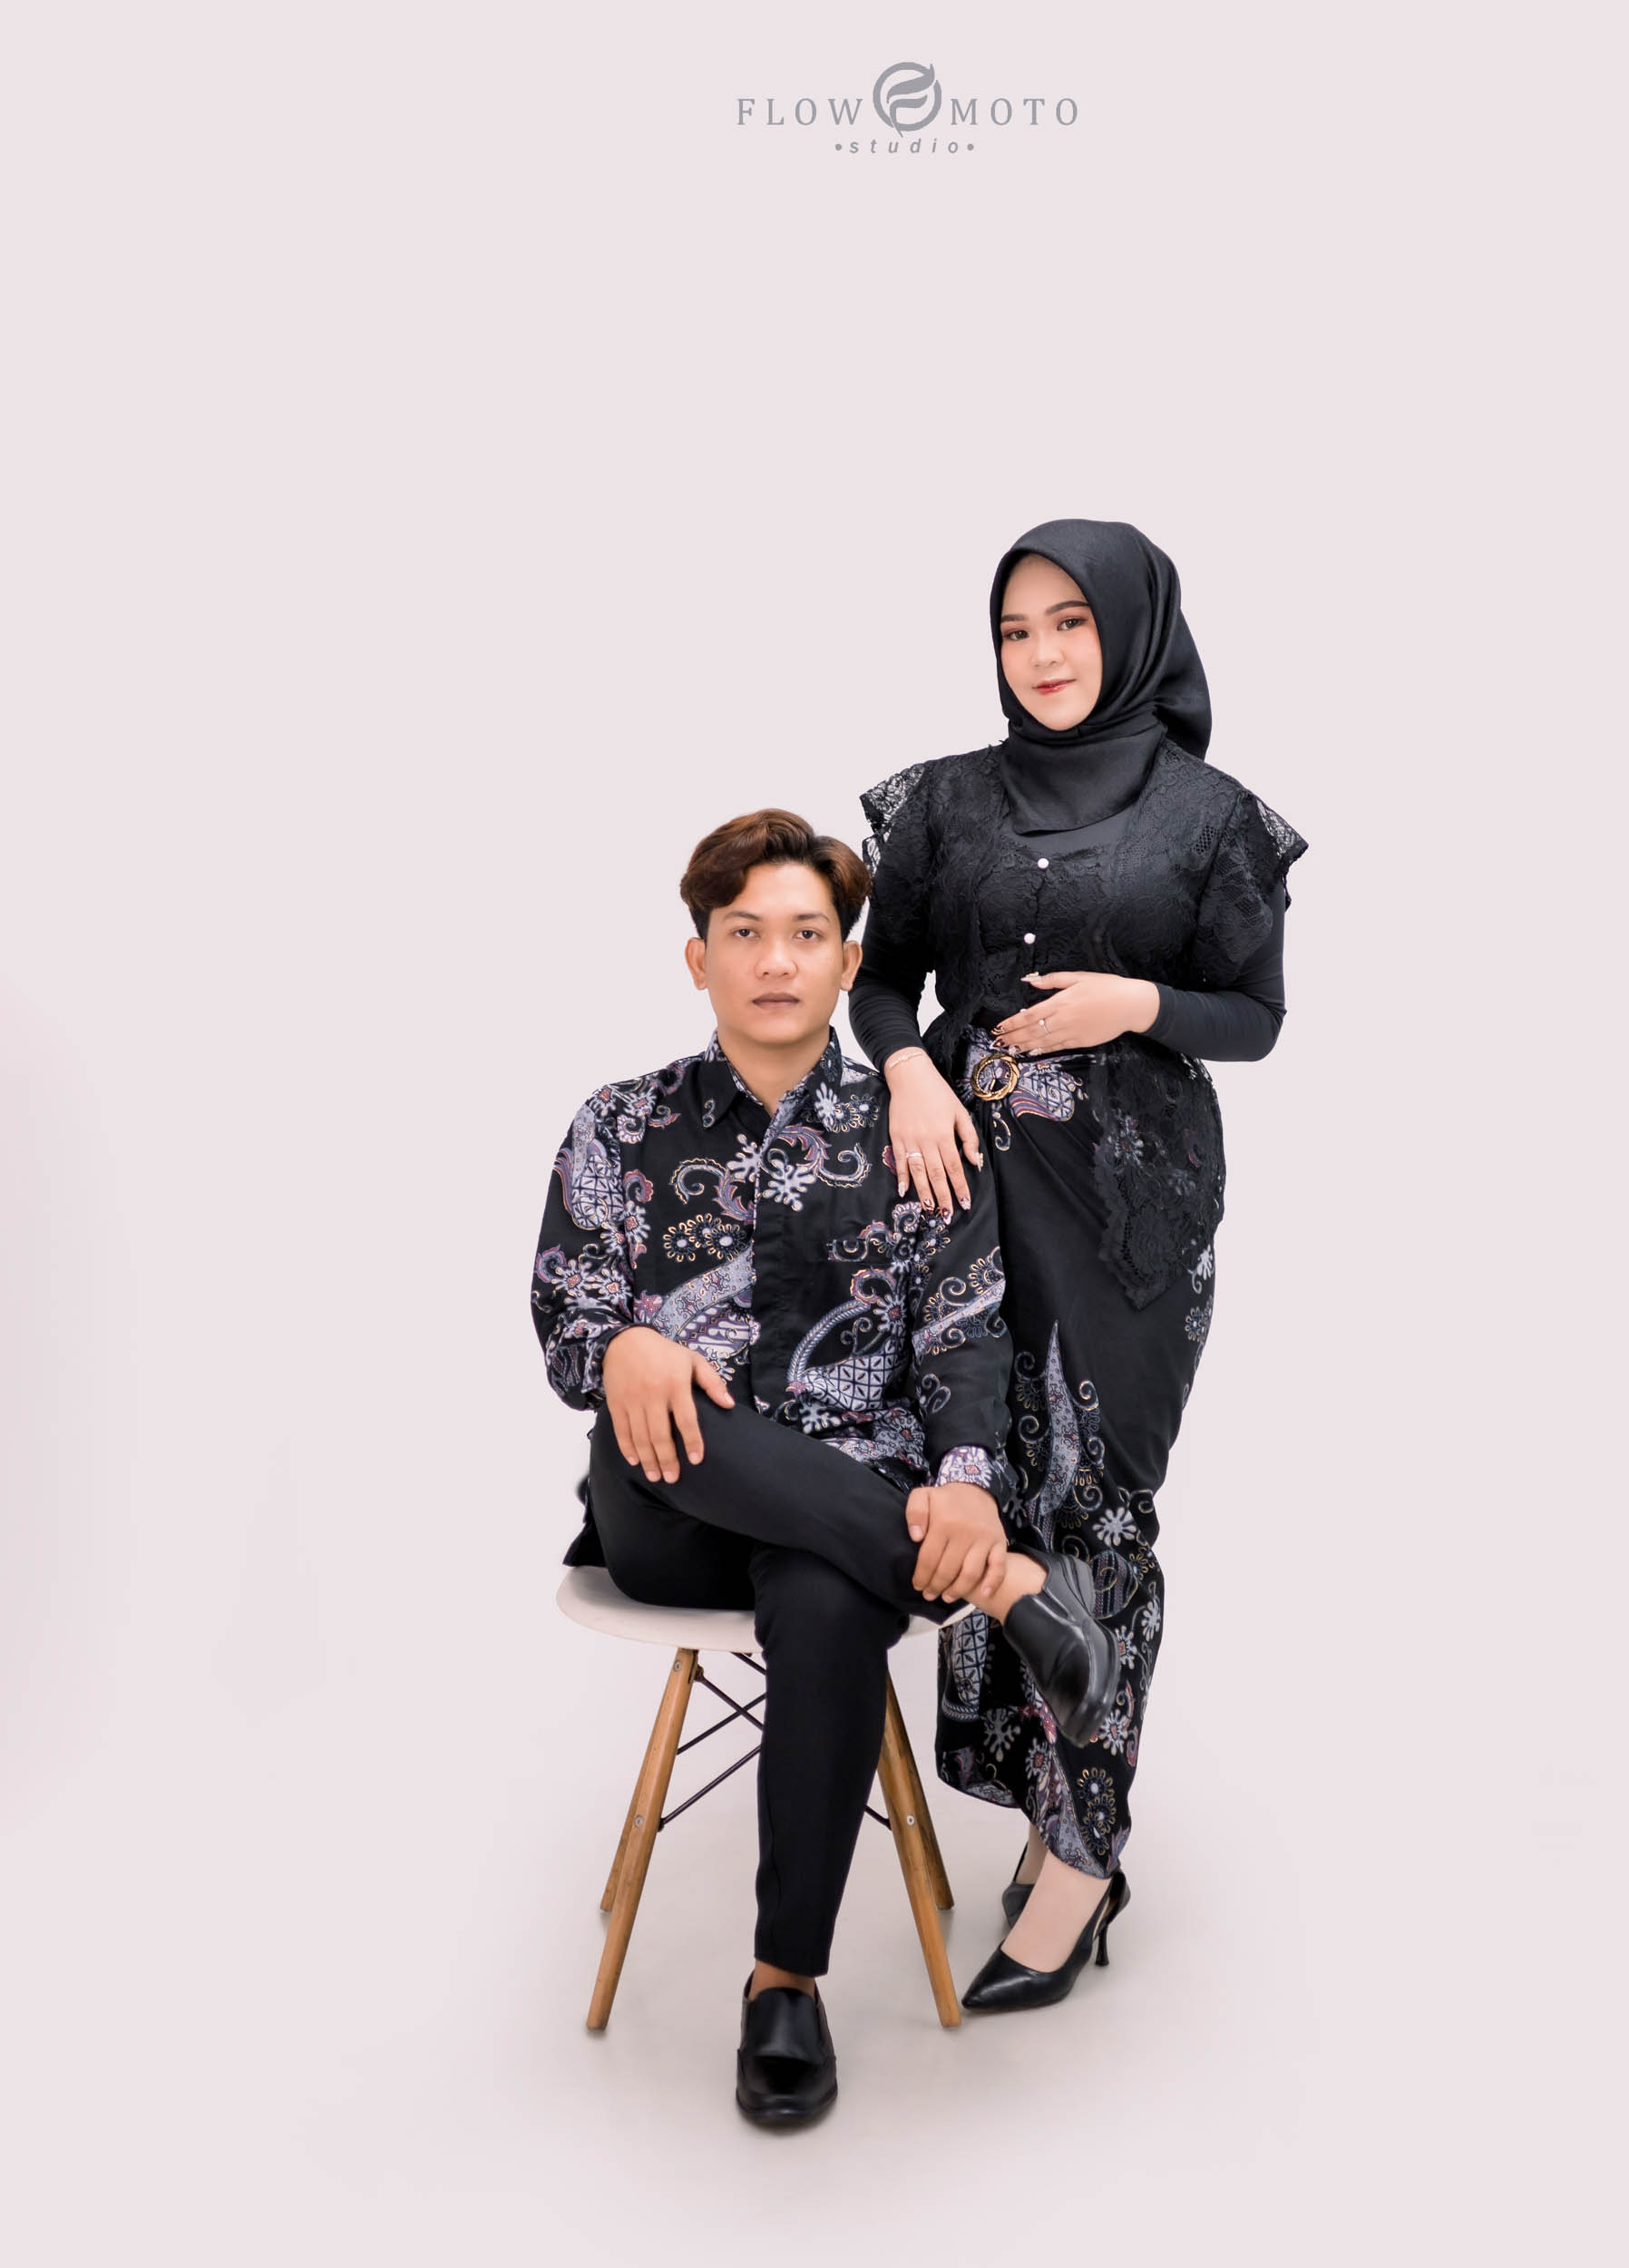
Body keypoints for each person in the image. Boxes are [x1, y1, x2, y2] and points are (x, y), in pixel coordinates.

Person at [530, 808, 1117, 2126]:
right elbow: (567, 1318)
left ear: (849, 965)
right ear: (700, 959)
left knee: (830, 1593)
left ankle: (783, 1985)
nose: (776, 961)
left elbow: (966, 1333)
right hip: (665, 1506)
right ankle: (1011, 1591)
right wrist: (622, 1344)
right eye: (745, 934)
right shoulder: (620, 1125)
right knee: (665, 1413)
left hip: (858, 1526)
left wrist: (965, 1479)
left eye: (806, 934)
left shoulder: (915, 1132)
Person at [850, 520, 1308, 2013]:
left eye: (1070, 622)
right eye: (1015, 629)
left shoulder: (1211, 819)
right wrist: (907, 1071)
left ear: (1134, 630)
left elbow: (1257, 1017)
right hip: (960, 1199)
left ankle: (1078, 1862)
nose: (1042, 654)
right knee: (987, 1488)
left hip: (1131, 1220)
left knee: (1101, 1513)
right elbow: (879, 978)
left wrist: (1137, 1004)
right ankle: (1056, 1812)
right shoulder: (944, 801)